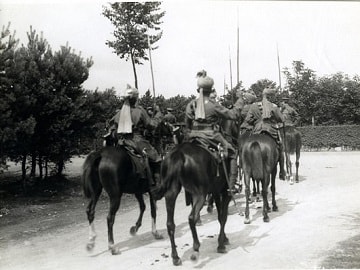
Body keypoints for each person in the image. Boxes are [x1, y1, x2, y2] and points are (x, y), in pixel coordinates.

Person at [185, 70, 244, 194]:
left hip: (193, 136)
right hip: (211, 135)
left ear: (199, 89)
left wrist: (191, 133)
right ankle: (231, 186)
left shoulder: (191, 104)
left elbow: (187, 122)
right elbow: (233, 115)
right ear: (210, 89)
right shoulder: (214, 105)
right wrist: (240, 100)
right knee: (233, 152)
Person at [111, 84, 163, 185]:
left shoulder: (119, 113)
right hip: (137, 140)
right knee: (156, 158)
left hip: (121, 141)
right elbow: (151, 125)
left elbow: (112, 126)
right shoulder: (140, 111)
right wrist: (158, 115)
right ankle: (157, 183)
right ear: (135, 98)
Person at [242, 86, 286, 179]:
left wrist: (254, 121)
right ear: (270, 97)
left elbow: (248, 119)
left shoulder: (254, 106)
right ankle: (282, 171)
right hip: (271, 130)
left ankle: (244, 167)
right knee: (281, 146)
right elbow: (281, 119)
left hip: (257, 130)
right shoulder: (274, 106)